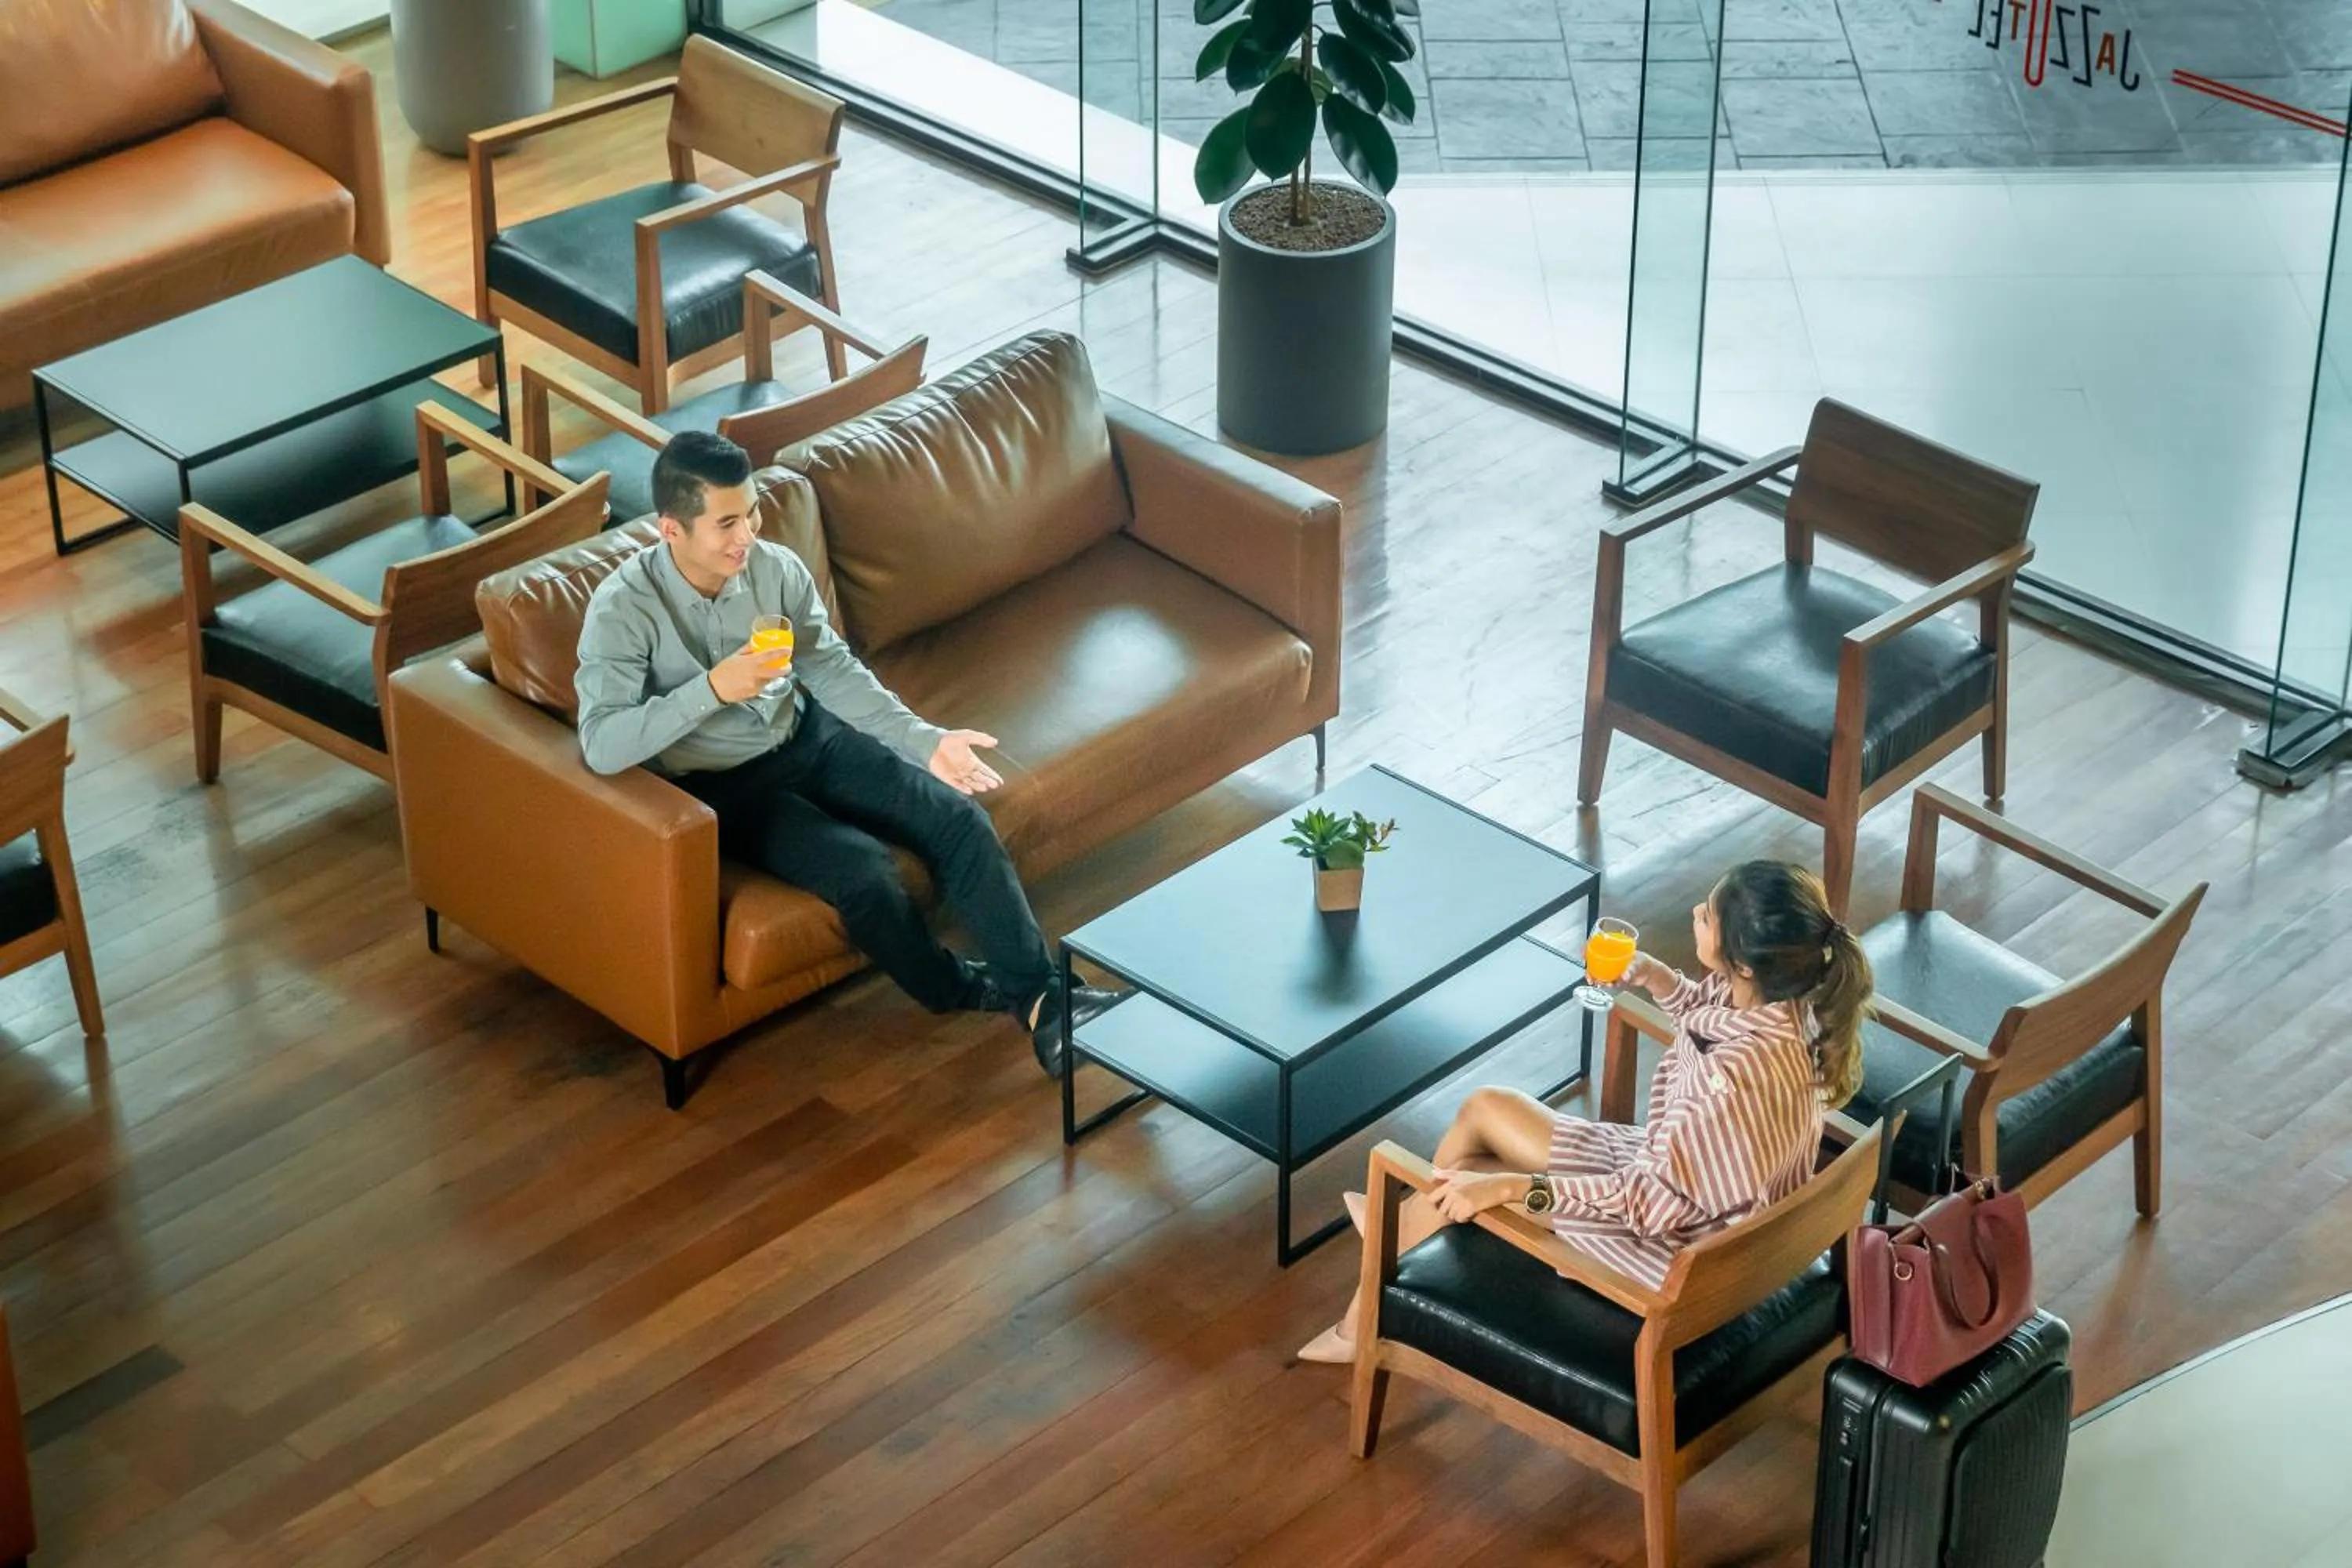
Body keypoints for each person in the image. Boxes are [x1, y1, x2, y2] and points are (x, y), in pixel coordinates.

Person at [572, 430, 1116, 1073]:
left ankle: (1044, 1004)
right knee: (864, 877)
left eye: (751, 512)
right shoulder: (623, 609)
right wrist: (713, 689)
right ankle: (961, 990)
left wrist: (926, 741)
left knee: (957, 819)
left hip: (808, 736)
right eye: (727, 524)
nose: (748, 534)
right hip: (727, 786)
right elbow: (602, 743)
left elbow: (832, 670)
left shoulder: (774, 570)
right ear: (671, 529)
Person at [1297, 860, 1871, 1363]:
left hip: (1678, 1252)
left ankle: (1365, 1311)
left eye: (1708, 916)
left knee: (1471, 1176)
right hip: (1676, 1181)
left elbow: (1644, 1204)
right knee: (1485, 1107)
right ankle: (1400, 1231)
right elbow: (1708, 1017)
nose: (1697, 912)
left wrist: (1513, 1188)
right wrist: (1656, 978)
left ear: (1745, 964)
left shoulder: (1732, 1085)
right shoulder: (1783, 1004)